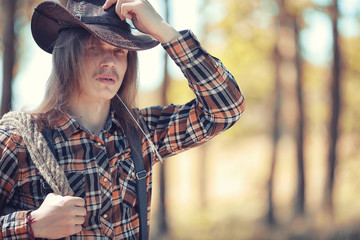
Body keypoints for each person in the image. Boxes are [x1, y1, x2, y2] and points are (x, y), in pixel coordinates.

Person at [0, 0, 245, 239]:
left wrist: (164, 31)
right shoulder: (18, 141)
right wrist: (29, 225)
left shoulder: (141, 132)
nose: (110, 61)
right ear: (67, 55)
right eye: (94, 46)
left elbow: (226, 108)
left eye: (119, 50)